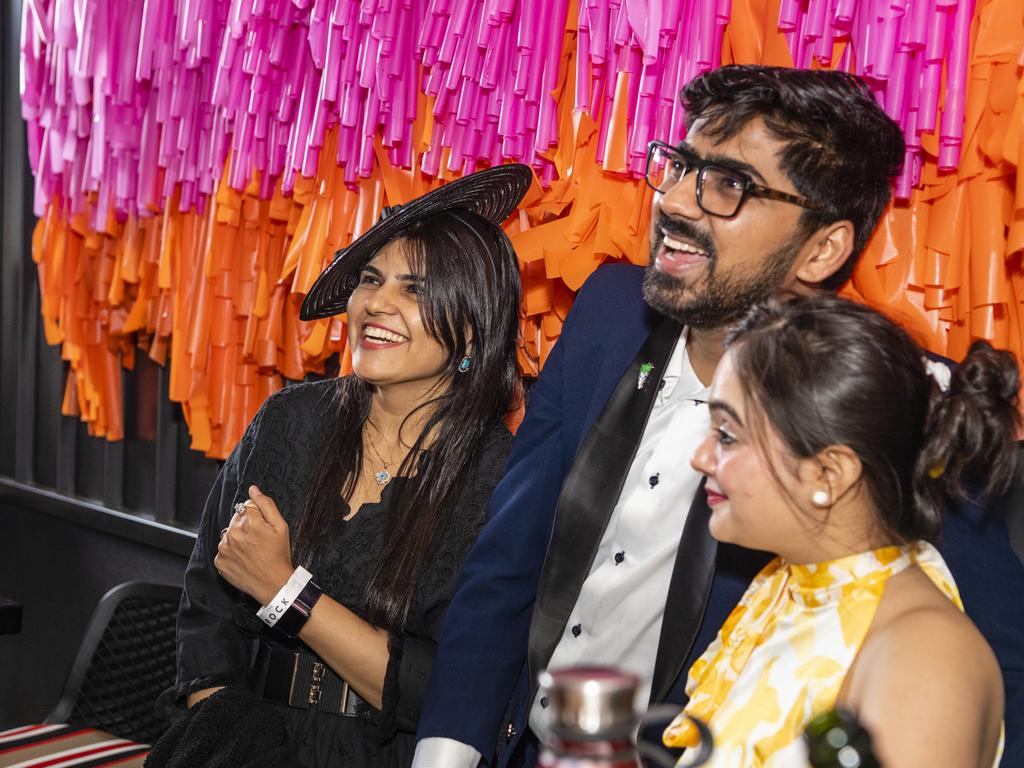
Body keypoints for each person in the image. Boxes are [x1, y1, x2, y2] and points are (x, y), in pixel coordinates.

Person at [413, 65, 1024, 768]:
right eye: (679, 165)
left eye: (728, 185)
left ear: (822, 249)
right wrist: (448, 750)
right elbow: (506, 565)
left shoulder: (885, 401)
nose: (674, 201)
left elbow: (993, 670)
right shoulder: (608, 312)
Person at [146, 164, 532, 768]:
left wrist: (285, 591)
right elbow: (208, 599)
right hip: (239, 739)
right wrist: (220, 722)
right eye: (371, 279)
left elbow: (450, 687)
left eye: (416, 289)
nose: (376, 304)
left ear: (473, 328)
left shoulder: (498, 481)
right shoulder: (291, 421)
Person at [660, 293, 1016, 767]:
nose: (700, 457)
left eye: (727, 435)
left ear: (830, 475)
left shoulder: (925, 662)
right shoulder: (787, 581)